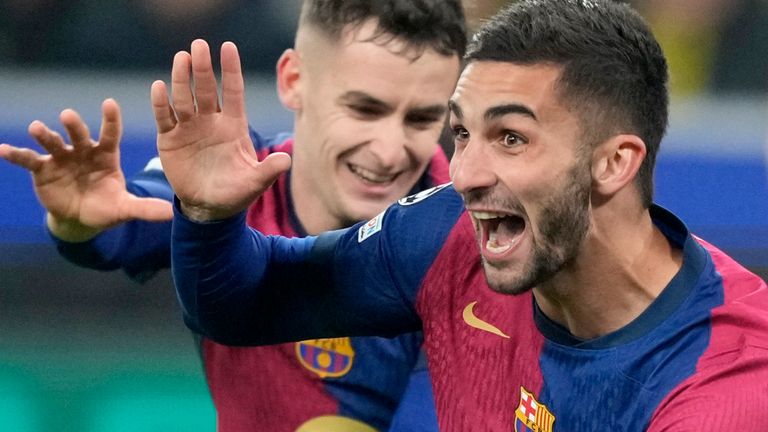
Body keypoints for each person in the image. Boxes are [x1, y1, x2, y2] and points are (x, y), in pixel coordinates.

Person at [157, 0, 768, 430]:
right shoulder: (445, 235)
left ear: (613, 164)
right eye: (462, 134)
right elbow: (247, 301)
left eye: (511, 138)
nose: (466, 173)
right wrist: (209, 217)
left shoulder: (724, 381)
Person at [0, 1, 466, 430]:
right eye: (364, 109)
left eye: (421, 120)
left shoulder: (465, 246)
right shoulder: (229, 181)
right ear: (293, 81)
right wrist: (80, 220)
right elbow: (120, 233)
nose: (388, 151)